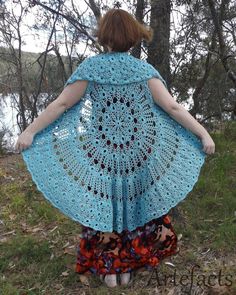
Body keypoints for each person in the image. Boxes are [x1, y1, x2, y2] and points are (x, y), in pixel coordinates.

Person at [15, 8, 215, 288]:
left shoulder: (91, 68)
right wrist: (202, 133)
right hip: (137, 155)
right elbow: (171, 107)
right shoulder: (144, 71)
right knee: (135, 207)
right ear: (133, 37)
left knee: (104, 208)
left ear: (104, 36)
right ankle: (130, 266)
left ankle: (110, 271)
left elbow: (60, 105)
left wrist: (30, 131)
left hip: (103, 156)